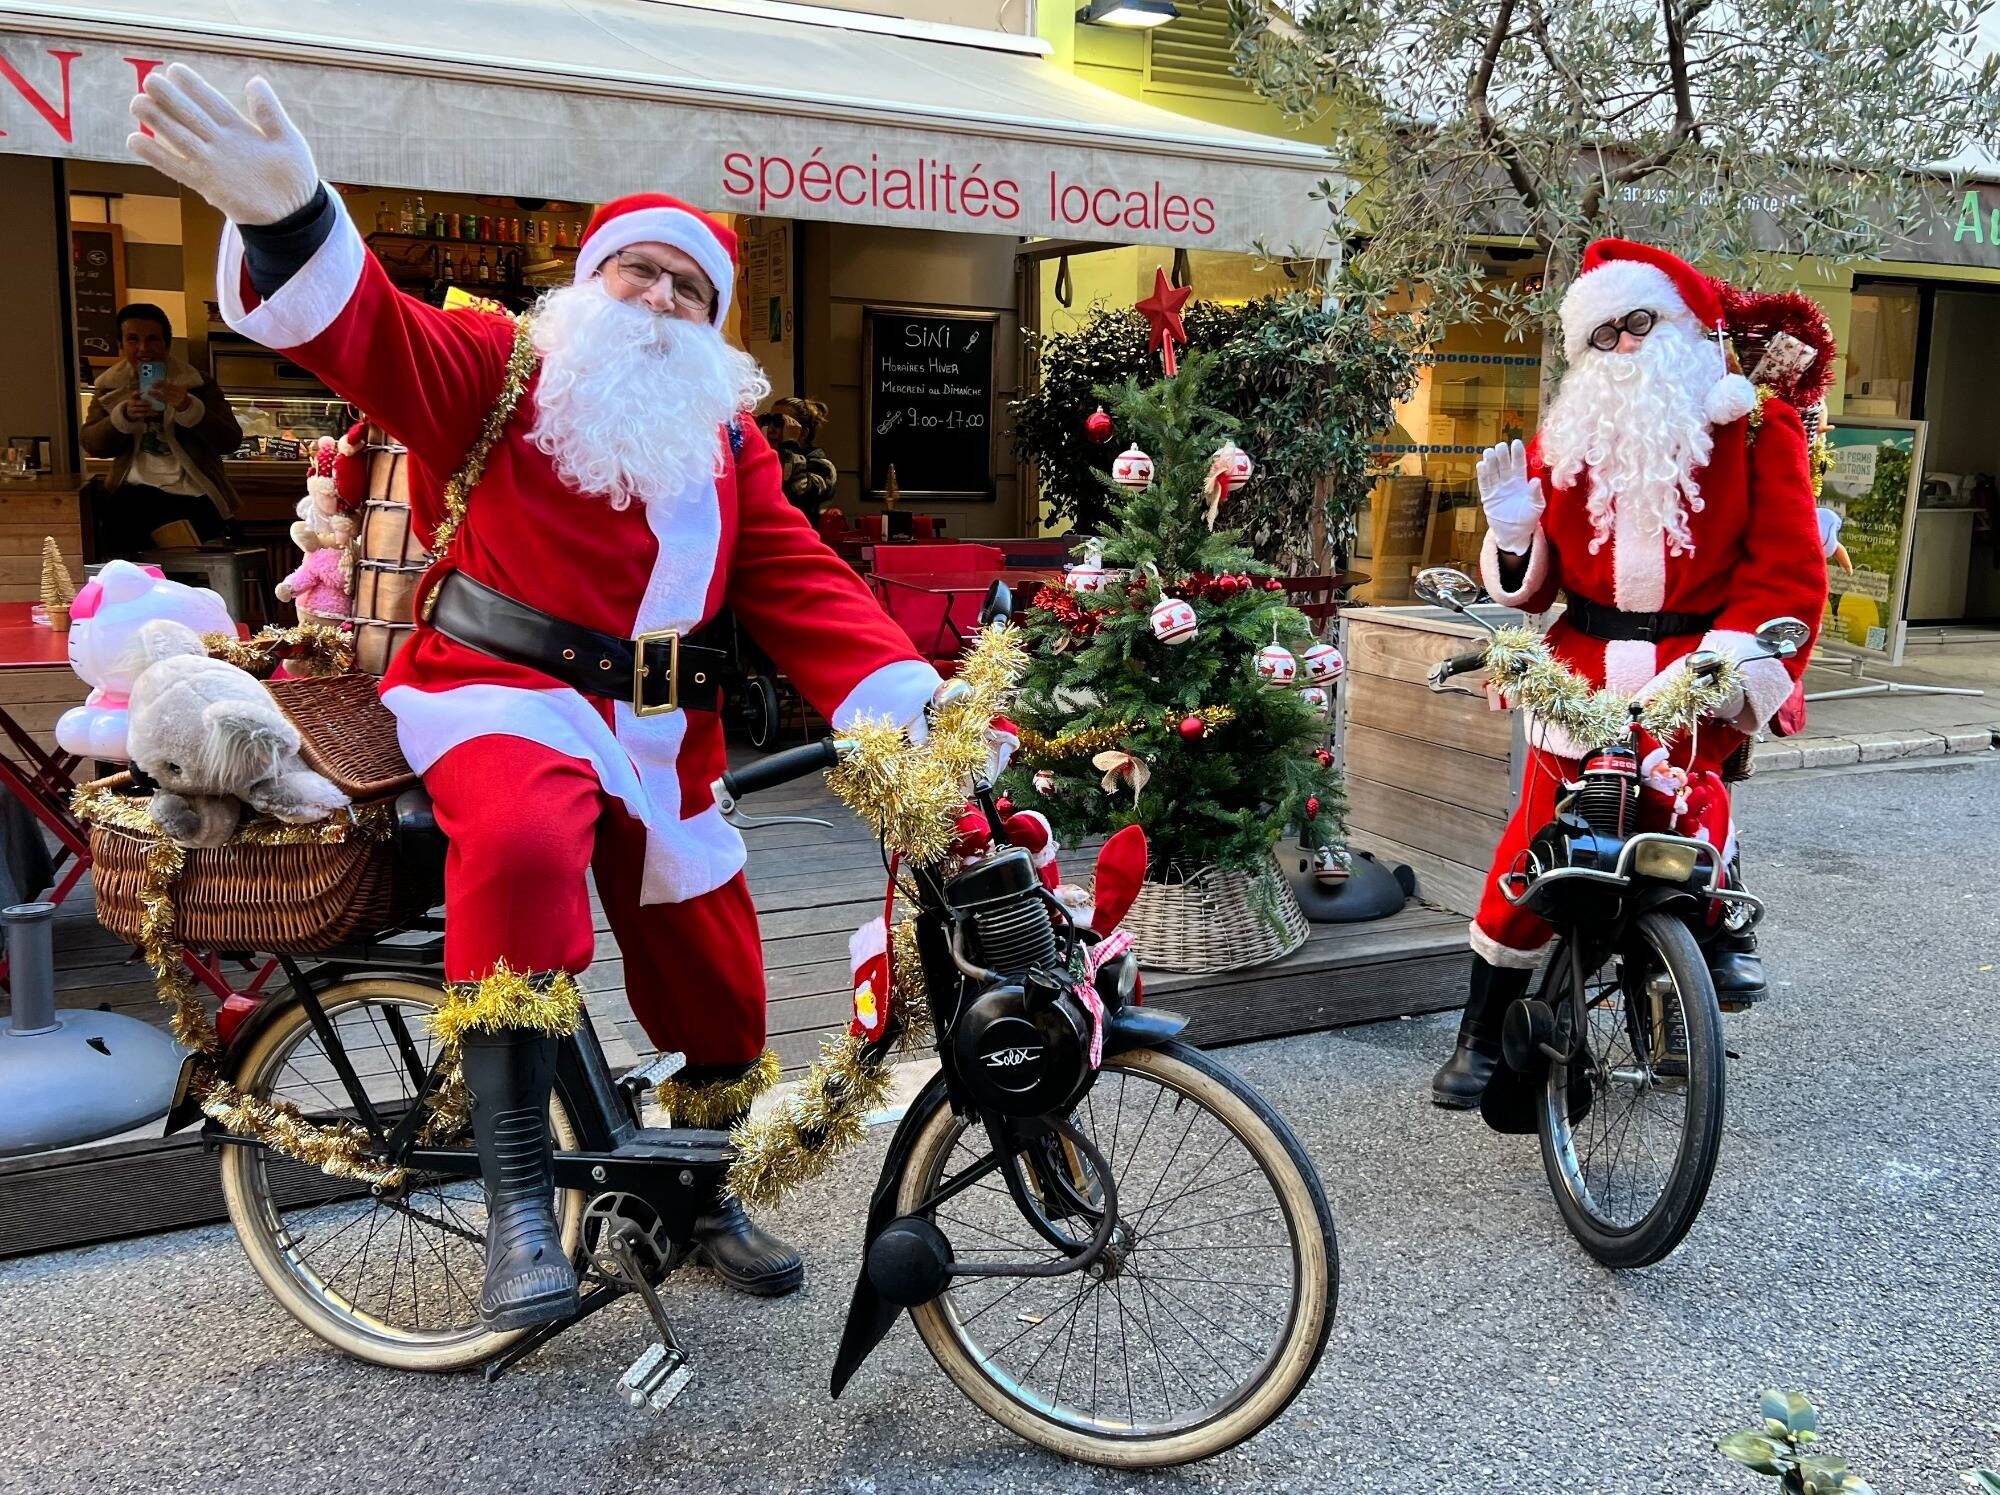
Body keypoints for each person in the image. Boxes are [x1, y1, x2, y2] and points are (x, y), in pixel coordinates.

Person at [129, 65, 945, 1328]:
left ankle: (698, 1193)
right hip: (498, 692)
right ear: (591, 281)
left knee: (717, 950)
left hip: (663, 731)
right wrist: (296, 218)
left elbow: (798, 578)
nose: (661, 299)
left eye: (690, 287)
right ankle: (518, 1201)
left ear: (717, 323)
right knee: (517, 844)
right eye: (639, 272)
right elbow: (377, 332)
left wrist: (908, 703)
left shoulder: (726, 442)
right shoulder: (508, 368)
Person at [1430, 240, 1828, 1110]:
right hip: (1581, 663)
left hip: (1702, 656)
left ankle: (1686, 978)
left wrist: (1733, 662)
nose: (1621, 351)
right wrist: (1507, 535)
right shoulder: (1565, 439)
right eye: (1600, 336)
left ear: (1682, 327)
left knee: (1689, 813)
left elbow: (1789, 569)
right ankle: (1484, 1031)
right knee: (1538, 839)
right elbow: (1535, 587)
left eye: (1637, 325)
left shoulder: (1755, 426)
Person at [80, 303, 242, 556]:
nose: (143, 348)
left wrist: (188, 407)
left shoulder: (198, 384)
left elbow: (230, 440)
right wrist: (121, 417)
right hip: (131, 496)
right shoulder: (109, 388)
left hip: (193, 495)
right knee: (120, 518)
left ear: (166, 344)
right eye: (133, 339)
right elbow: (92, 444)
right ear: (121, 346)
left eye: (152, 339)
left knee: (176, 559)